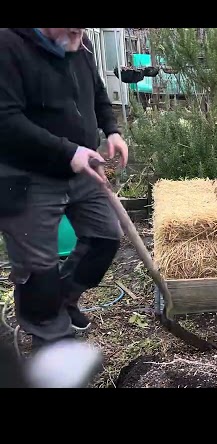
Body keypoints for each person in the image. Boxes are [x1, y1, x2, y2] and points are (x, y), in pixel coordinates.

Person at [0, 28, 128, 349]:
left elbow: (96, 91)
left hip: (81, 166)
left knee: (105, 237)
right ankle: (50, 338)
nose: (79, 33)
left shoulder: (77, 41)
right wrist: (68, 152)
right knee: (38, 270)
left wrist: (111, 130)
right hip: (26, 174)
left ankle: (64, 298)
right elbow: (5, 120)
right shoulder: (7, 45)